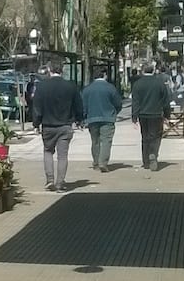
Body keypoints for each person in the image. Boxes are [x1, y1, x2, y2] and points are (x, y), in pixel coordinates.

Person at [31, 62, 84, 193]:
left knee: (48, 151)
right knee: (62, 156)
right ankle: (60, 183)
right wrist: (79, 120)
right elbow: (78, 105)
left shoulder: (41, 86)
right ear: (62, 70)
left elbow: (36, 107)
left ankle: (50, 179)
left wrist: (36, 124)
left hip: (48, 126)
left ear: (49, 70)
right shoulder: (71, 86)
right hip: (65, 125)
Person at [130, 62, 173, 171]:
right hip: (156, 114)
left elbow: (135, 102)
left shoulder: (137, 84)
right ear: (153, 71)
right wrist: (167, 115)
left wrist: (134, 117)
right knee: (155, 136)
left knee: (145, 137)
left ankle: (146, 161)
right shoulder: (159, 83)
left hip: (143, 115)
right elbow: (165, 100)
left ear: (142, 71)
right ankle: (153, 154)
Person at [81, 70, 123, 173]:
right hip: (108, 118)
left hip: (92, 118)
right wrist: (114, 112)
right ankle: (103, 162)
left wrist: (83, 117)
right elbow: (118, 103)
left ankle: (96, 163)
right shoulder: (110, 88)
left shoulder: (87, 89)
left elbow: (83, 105)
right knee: (106, 141)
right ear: (105, 75)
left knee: (95, 141)